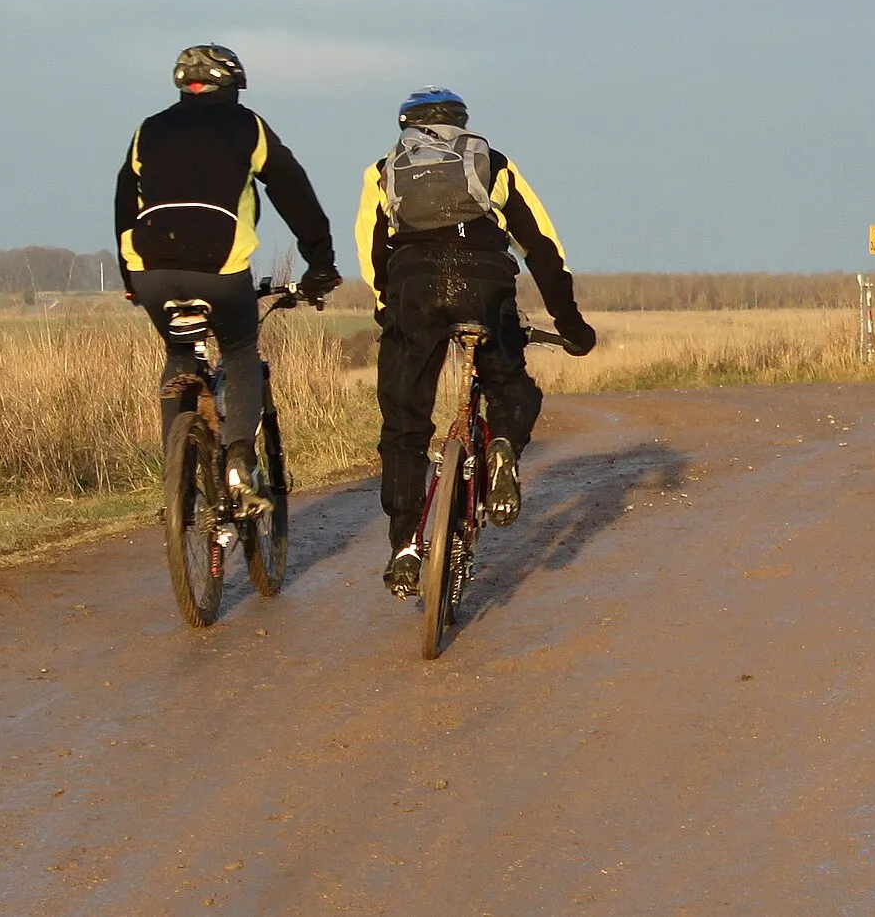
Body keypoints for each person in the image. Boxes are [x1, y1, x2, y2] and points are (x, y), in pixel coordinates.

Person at [357, 87, 595, 595]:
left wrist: (387, 309)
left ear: (406, 127)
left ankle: (405, 546)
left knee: (404, 421)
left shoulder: (383, 172)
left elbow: (372, 248)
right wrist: (571, 325)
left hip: (413, 284)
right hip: (484, 282)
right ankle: (503, 443)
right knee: (511, 385)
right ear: (463, 124)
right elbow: (543, 249)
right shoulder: (494, 165)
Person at [116, 44, 342, 508]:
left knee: (180, 352)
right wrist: (320, 263)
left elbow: (125, 203)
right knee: (239, 351)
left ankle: (176, 484)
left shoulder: (148, 130)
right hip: (220, 267)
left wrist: (130, 277)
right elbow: (291, 189)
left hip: (150, 266)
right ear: (233, 86)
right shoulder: (246, 125)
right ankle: (240, 460)